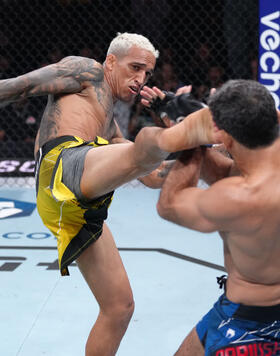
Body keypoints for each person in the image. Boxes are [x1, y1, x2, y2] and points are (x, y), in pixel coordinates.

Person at [0, 32, 181, 356]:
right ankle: (191, 128)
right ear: (111, 61)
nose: (141, 79)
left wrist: (198, 154)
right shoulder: (87, 70)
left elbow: (153, 176)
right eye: (135, 67)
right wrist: (179, 128)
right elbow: (20, 86)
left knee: (120, 307)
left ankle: (194, 134)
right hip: (61, 167)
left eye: (148, 74)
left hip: (71, 206)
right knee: (147, 145)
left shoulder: (108, 125)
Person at [154, 79, 280, 355]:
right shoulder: (254, 175)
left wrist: (189, 137)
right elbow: (227, 171)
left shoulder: (238, 196)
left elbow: (170, 204)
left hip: (250, 320)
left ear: (226, 138)